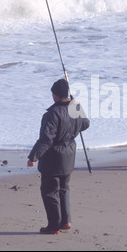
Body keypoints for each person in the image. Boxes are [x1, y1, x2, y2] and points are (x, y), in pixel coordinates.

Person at [27, 79, 90, 235]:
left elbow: (46, 139)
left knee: (50, 191)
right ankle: (65, 221)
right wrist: (77, 107)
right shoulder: (74, 109)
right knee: (63, 189)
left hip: (53, 158)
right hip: (69, 155)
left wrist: (33, 157)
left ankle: (54, 226)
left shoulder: (51, 114)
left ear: (55, 96)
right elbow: (86, 124)